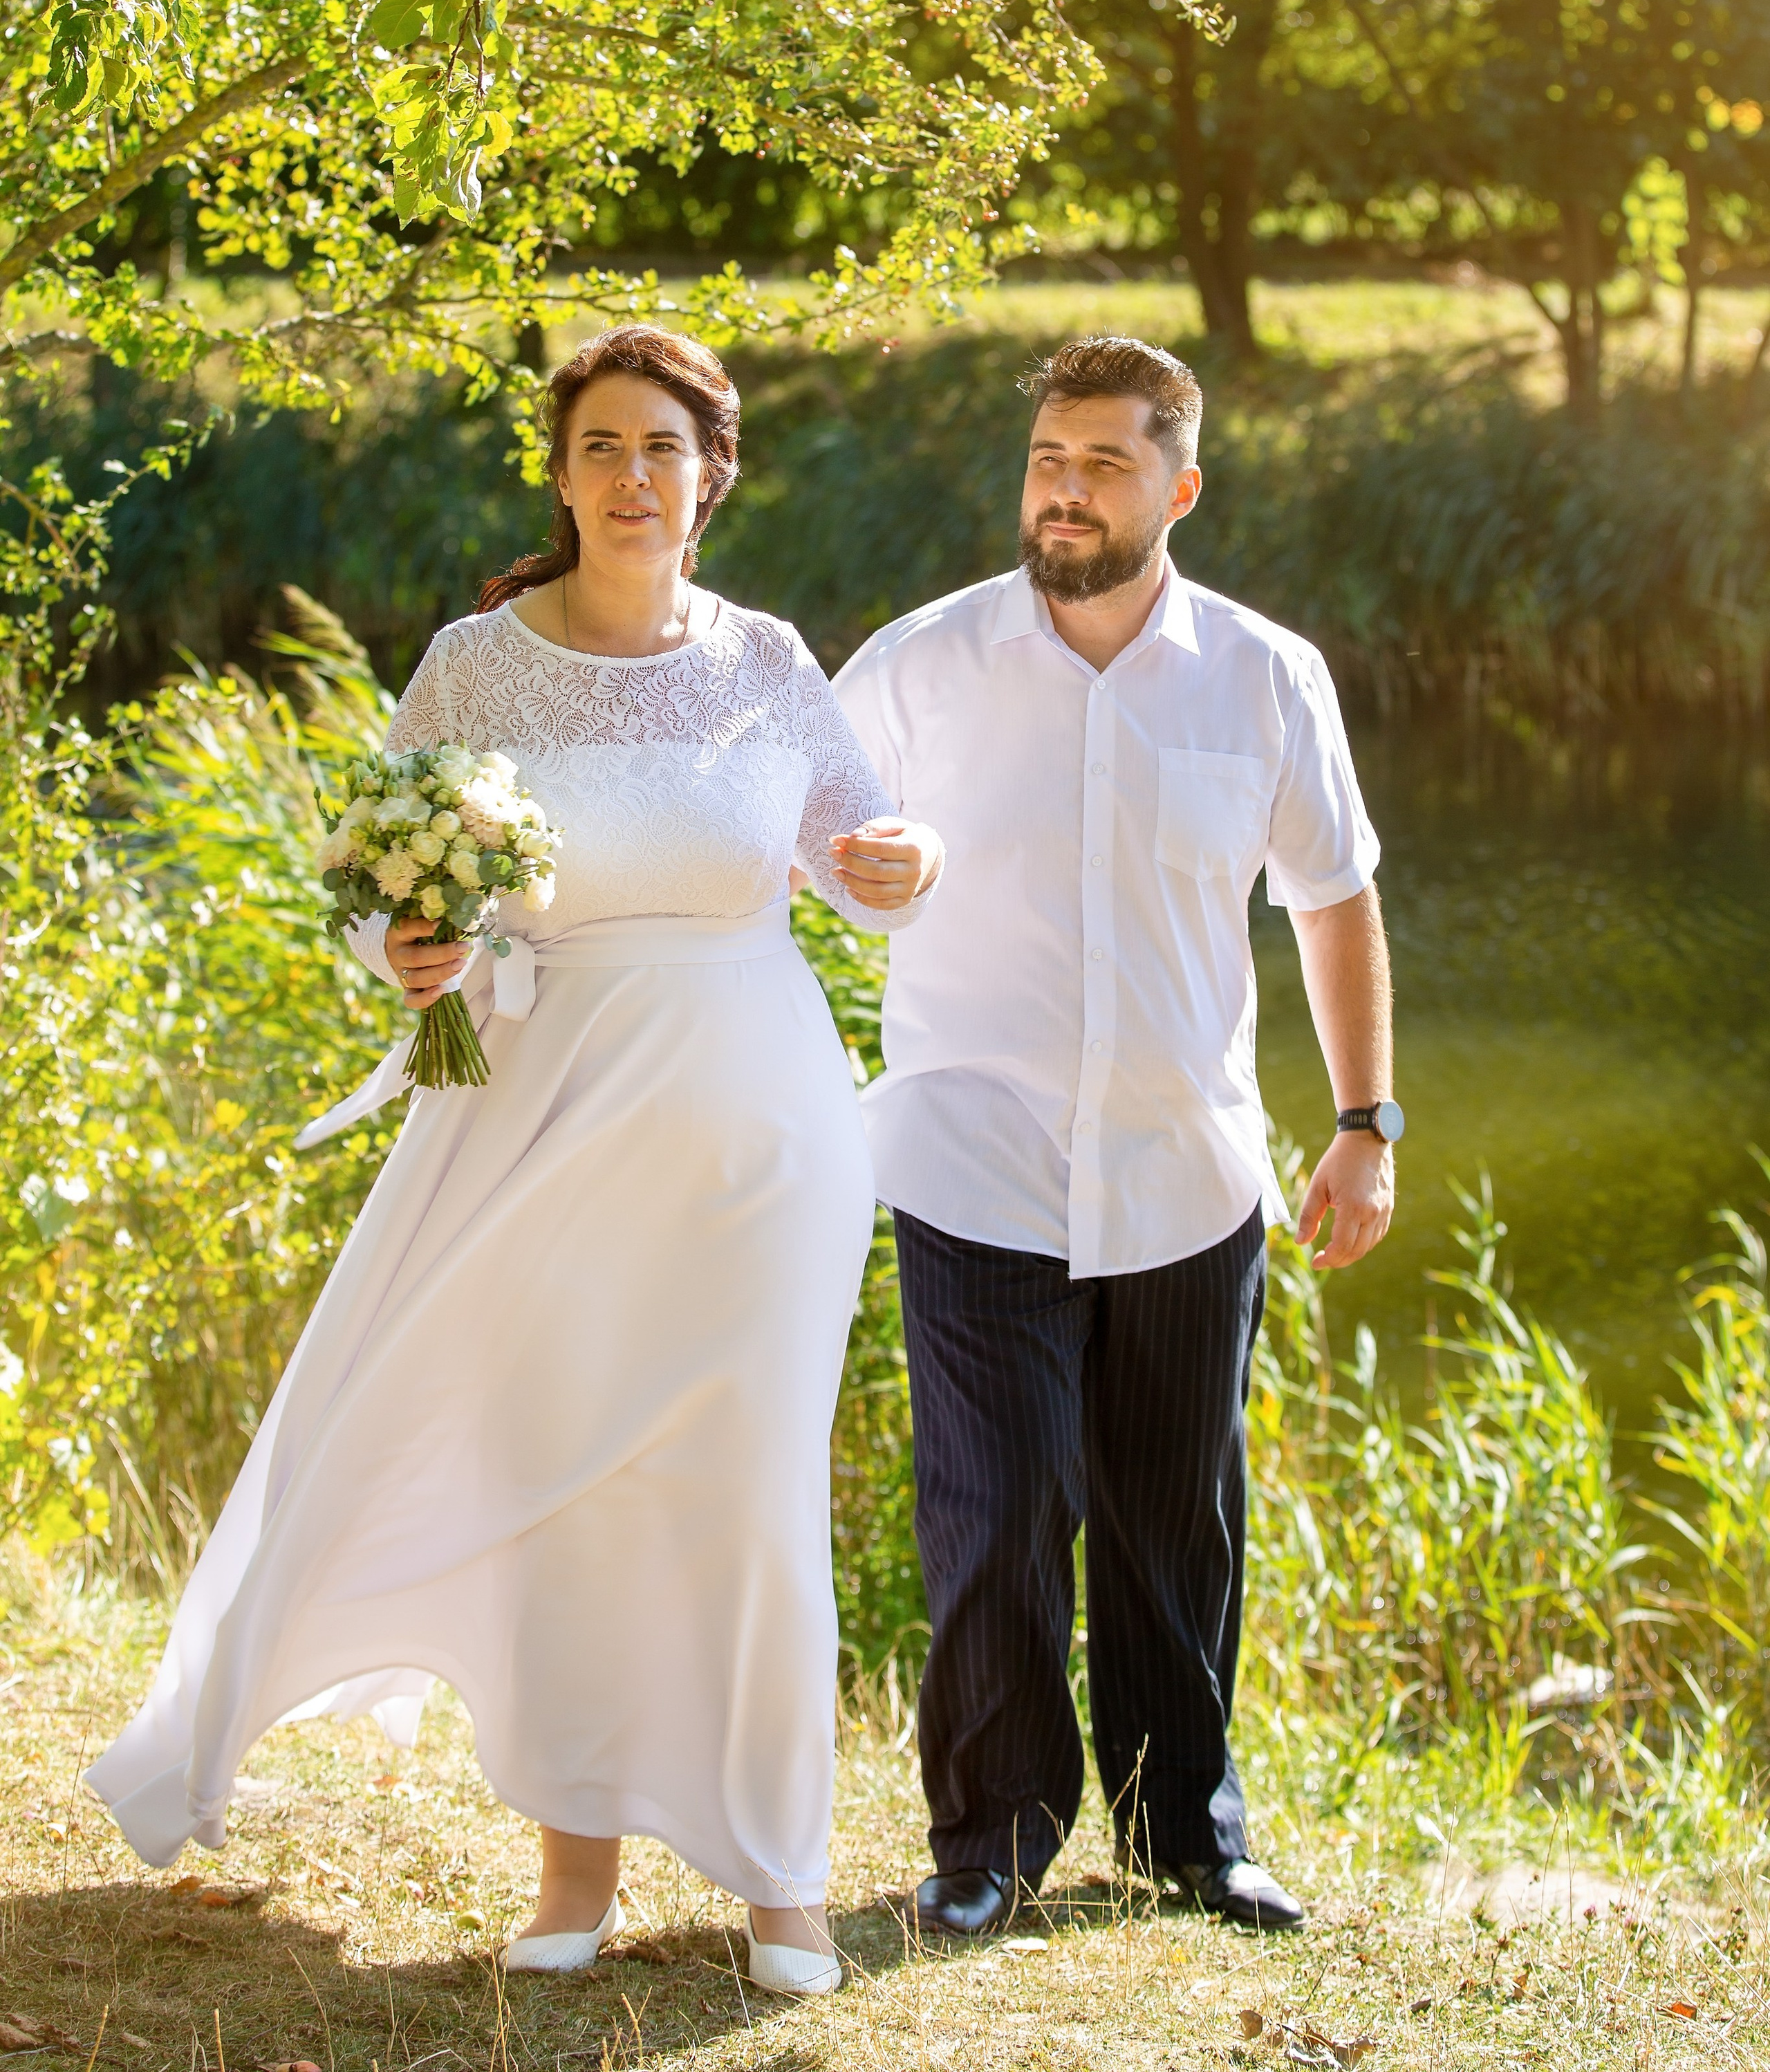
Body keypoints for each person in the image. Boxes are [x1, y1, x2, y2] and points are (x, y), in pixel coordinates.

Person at [88, 325, 943, 1999]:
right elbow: (378, 892)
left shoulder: (770, 659)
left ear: (712, 476)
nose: (633, 477)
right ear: (561, 477)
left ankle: (780, 1872)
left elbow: (864, 866)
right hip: (543, 1115)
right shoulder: (477, 665)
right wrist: (409, 958)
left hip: (760, 1137)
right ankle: (575, 1861)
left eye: (663, 449)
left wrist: (910, 858)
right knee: (570, 1488)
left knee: (753, 1498)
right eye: (602, 447)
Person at [833, 333, 1397, 1939]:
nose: (1063, 491)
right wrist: (855, 866)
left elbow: (1334, 897)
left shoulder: (1264, 675)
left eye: (1102, 463)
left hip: (1183, 1166)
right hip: (969, 1155)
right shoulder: (918, 664)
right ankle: (989, 1842)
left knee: (1173, 1522)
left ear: (1181, 486)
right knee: (993, 1511)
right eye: (1044, 461)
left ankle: (1185, 1838)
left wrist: (1363, 1121)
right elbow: (810, 829)